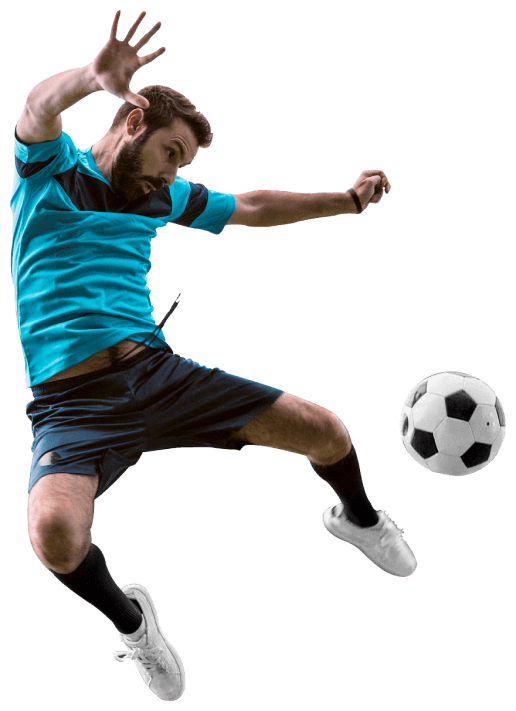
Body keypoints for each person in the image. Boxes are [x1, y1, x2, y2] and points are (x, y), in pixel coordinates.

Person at [14, 10, 415, 703]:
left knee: (328, 432)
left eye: (184, 164)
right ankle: (134, 624)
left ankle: (359, 518)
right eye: (171, 152)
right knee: (53, 535)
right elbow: (37, 107)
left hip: (157, 375)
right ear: (133, 121)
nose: (174, 173)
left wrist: (348, 202)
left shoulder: (161, 196)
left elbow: (251, 207)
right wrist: (91, 76)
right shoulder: (50, 169)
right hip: (72, 406)